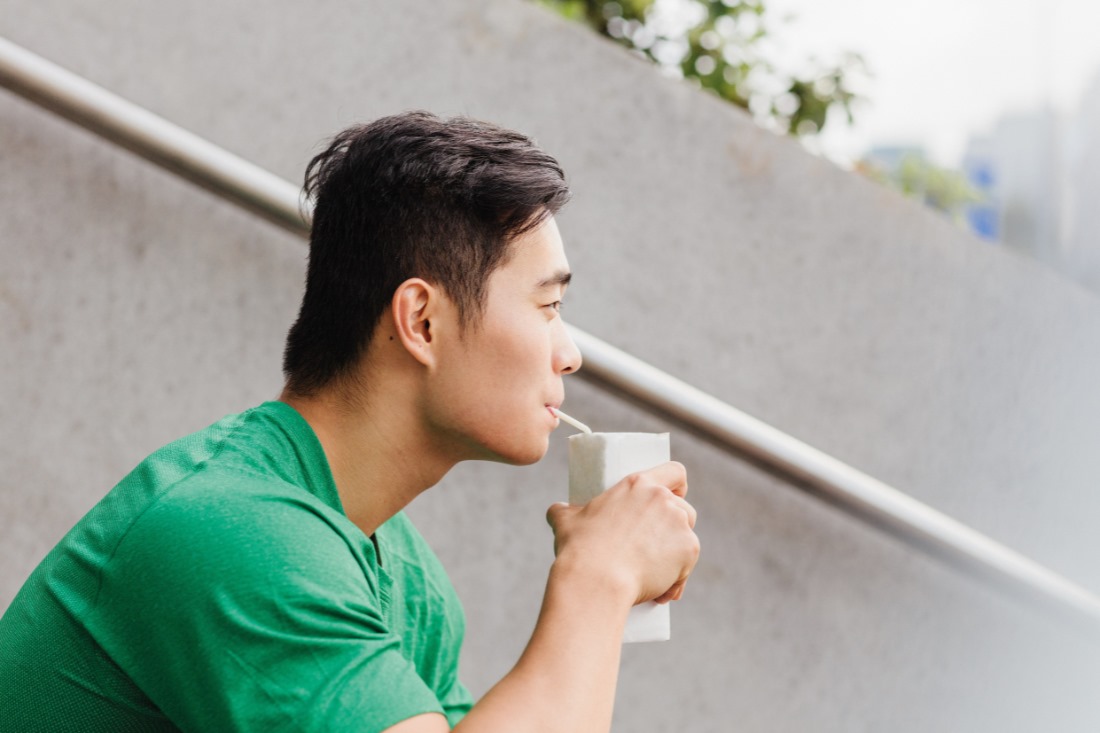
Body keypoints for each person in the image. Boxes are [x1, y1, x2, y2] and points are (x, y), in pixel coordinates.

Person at [0, 111, 699, 732]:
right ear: (422, 321)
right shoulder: (236, 533)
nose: (569, 354)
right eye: (548, 307)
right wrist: (598, 578)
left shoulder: (407, 578)